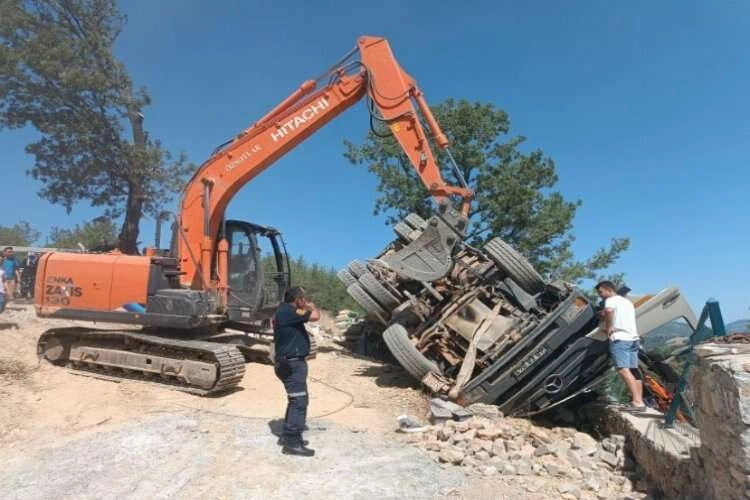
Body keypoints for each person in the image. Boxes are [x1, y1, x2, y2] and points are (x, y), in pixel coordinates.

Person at [273, 286, 320, 457]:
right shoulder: (289, 311)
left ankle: (288, 436)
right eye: (303, 298)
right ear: (298, 299)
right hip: (292, 364)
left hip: (290, 362)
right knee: (299, 402)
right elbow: (315, 316)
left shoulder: (286, 311)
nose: (305, 300)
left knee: (295, 400)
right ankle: (292, 442)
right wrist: (311, 306)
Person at [596, 280, 645, 412]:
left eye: (601, 292)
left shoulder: (610, 300)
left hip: (620, 339)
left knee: (623, 370)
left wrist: (609, 326)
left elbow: (609, 311)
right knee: (634, 370)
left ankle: (637, 402)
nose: (600, 295)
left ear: (609, 289)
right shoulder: (627, 302)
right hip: (633, 338)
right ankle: (639, 401)